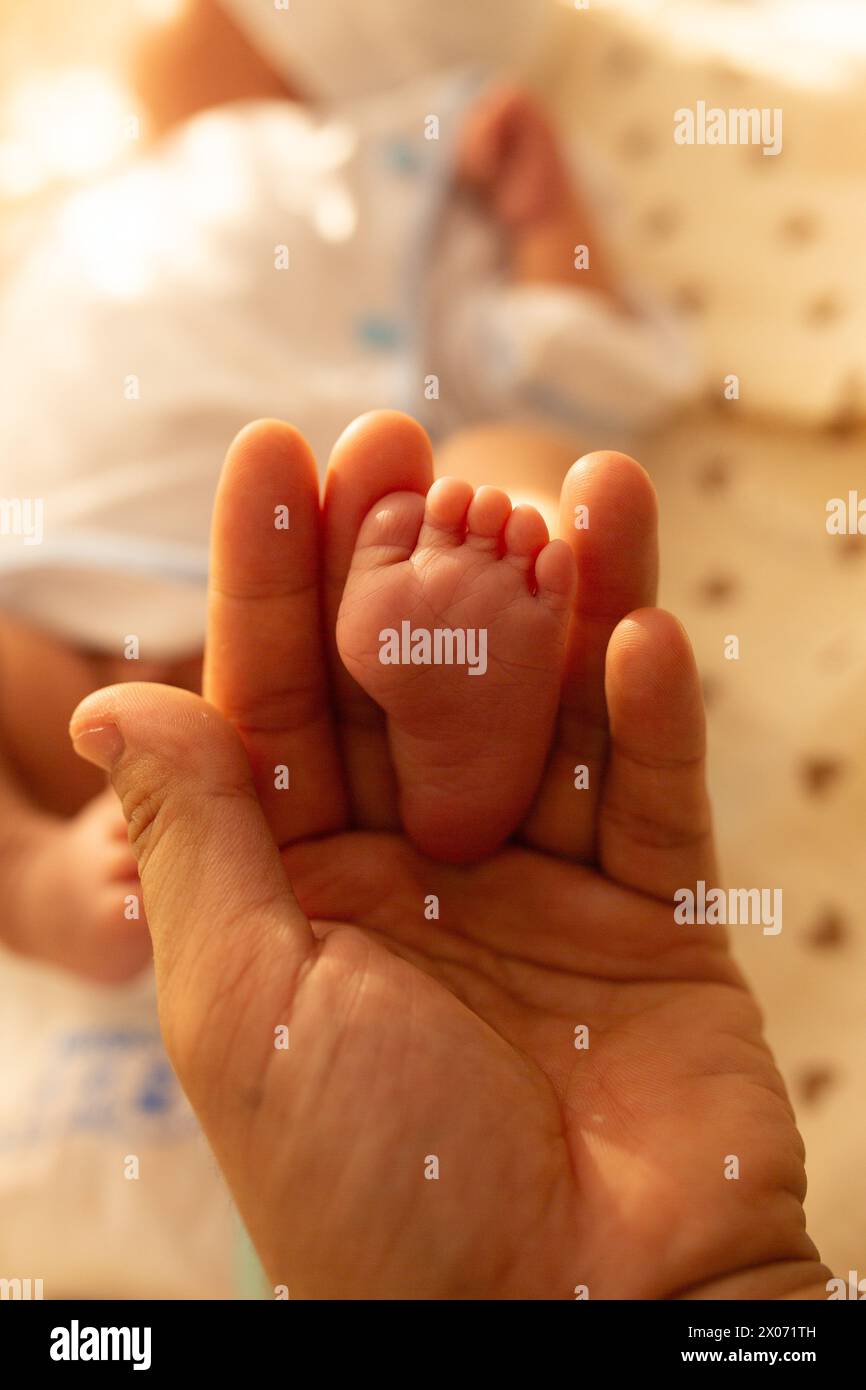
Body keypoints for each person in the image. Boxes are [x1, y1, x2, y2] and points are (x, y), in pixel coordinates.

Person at [69, 411, 831, 1298]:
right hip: (112, 598)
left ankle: (491, 616)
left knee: (482, 460)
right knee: (500, 461)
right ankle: (508, 627)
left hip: (314, 1180)